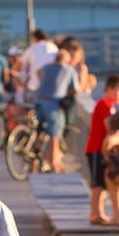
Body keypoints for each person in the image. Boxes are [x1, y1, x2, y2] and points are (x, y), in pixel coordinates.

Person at [32, 38, 86, 174]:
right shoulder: (69, 69)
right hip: (53, 104)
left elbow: (38, 73)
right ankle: (54, 163)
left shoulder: (46, 67)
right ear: (66, 60)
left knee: (40, 132)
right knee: (55, 134)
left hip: (39, 100)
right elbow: (77, 88)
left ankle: (34, 162)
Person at [85, 73, 119, 226]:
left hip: (100, 148)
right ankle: (94, 213)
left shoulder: (108, 105)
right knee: (98, 183)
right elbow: (109, 126)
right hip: (97, 148)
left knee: (102, 183)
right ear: (111, 89)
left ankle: (99, 212)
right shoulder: (104, 104)